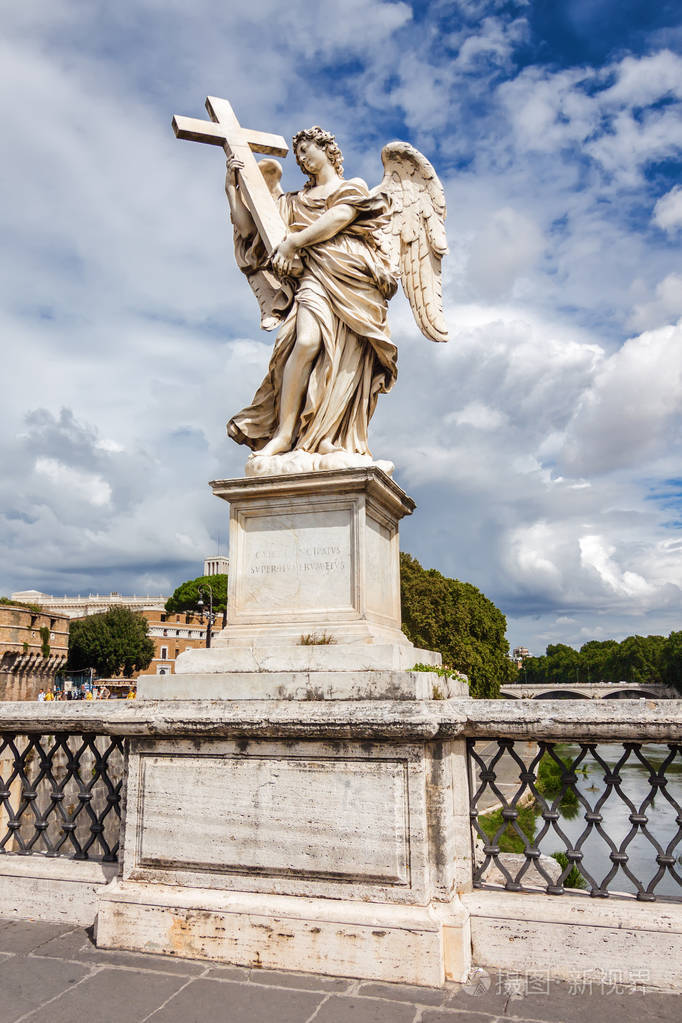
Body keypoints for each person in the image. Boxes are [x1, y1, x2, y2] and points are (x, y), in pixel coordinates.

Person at [225, 127, 398, 459]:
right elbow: (251, 230)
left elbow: (340, 217)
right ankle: (285, 434)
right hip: (315, 277)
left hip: (353, 278)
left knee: (347, 358)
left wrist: (295, 241)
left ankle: (328, 436)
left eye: (307, 150)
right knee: (305, 343)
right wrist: (233, 188)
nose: (302, 159)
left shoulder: (353, 187)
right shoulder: (292, 201)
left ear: (327, 149)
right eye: (298, 154)